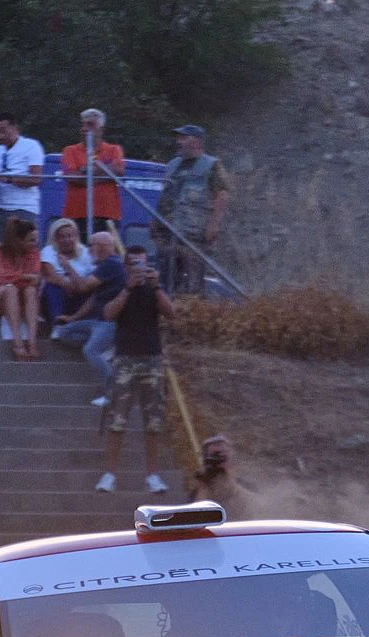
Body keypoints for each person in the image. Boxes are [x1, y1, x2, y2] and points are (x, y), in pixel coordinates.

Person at [95, 246, 176, 494]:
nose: (139, 269)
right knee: (117, 419)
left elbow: (171, 313)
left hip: (152, 359)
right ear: (126, 266)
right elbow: (108, 314)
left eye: (143, 263)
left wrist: (157, 287)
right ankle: (109, 474)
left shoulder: (154, 287)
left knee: (153, 421)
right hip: (125, 360)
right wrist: (128, 288)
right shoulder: (121, 287)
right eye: (134, 264)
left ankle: (152, 475)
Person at [155, 124, 230, 295]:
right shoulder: (172, 165)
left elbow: (222, 194)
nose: (178, 142)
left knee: (193, 282)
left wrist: (214, 224)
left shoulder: (211, 165)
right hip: (168, 233)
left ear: (197, 141)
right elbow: (165, 195)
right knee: (166, 280)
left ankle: (192, 307)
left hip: (193, 234)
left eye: (183, 138)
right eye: (178, 138)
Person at [52, 229, 122, 401]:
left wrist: (67, 266)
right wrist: (72, 318)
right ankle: (105, 346)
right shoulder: (103, 267)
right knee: (64, 332)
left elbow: (82, 287)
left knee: (91, 351)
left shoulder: (112, 264)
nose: (88, 250)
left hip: (110, 323)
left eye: (91, 246)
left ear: (102, 247)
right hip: (97, 321)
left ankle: (112, 392)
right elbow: (93, 299)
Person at [0, 217, 42, 358]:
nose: (35, 243)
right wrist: (24, 277)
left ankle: (32, 343)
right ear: (18, 240)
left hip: (22, 300)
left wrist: (13, 278)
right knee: (10, 289)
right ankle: (17, 343)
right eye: (31, 240)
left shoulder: (34, 253)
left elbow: (35, 280)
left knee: (30, 290)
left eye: (36, 240)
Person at [60, 108, 125, 239]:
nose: (84, 129)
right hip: (76, 214)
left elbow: (119, 171)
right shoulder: (69, 151)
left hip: (107, 214)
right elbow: (71, 177)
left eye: (90, 125)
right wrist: (104, 172)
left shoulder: (114, 149)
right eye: (82, 124)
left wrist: (86, 171)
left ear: (101, 130)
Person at [0, 113, 44, 240]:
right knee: (0, 248)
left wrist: (9, 179)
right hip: (1, 208)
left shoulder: (31, 146)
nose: (0, 136)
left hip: (24, 208)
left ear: (14, 127)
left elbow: (36, 179)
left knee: (25, 246)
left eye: (3, 131)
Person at [39, 218, 95, 330]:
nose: (67, 240)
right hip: (54, 299)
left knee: (95, 290)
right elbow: (51, 276)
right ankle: (58, 325)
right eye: (62, 237)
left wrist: (67, 266)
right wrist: (68, 284)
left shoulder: (85, 252)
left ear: (76, 236)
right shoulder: (48, 251)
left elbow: (90, 280)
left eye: (70, 236)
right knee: (53, 287)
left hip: (80, 295)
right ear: (55, 238)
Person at [186, 434, 252, 508]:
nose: (218, 462)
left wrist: (230, 481)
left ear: (232, 460)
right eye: (213, 457)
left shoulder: (247, 487)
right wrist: (203, 485)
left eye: (222, 457)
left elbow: (255, 506)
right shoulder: (199, 492)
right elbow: (196, 511)